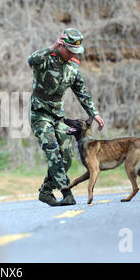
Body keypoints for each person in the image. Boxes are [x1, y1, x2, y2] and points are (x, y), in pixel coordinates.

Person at [27, 28, 105, 206]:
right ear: (61, 45)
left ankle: (46, 191)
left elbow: (82, 93)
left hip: (57, 116)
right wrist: (52, 47)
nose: (72, 54)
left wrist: (94, 113)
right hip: (40, 115)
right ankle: (66, 192)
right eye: (69, 50)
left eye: (76, 52)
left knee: (67, 156)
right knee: (53, 151)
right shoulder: (46, 59)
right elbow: (31, 60)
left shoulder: (73, 67)